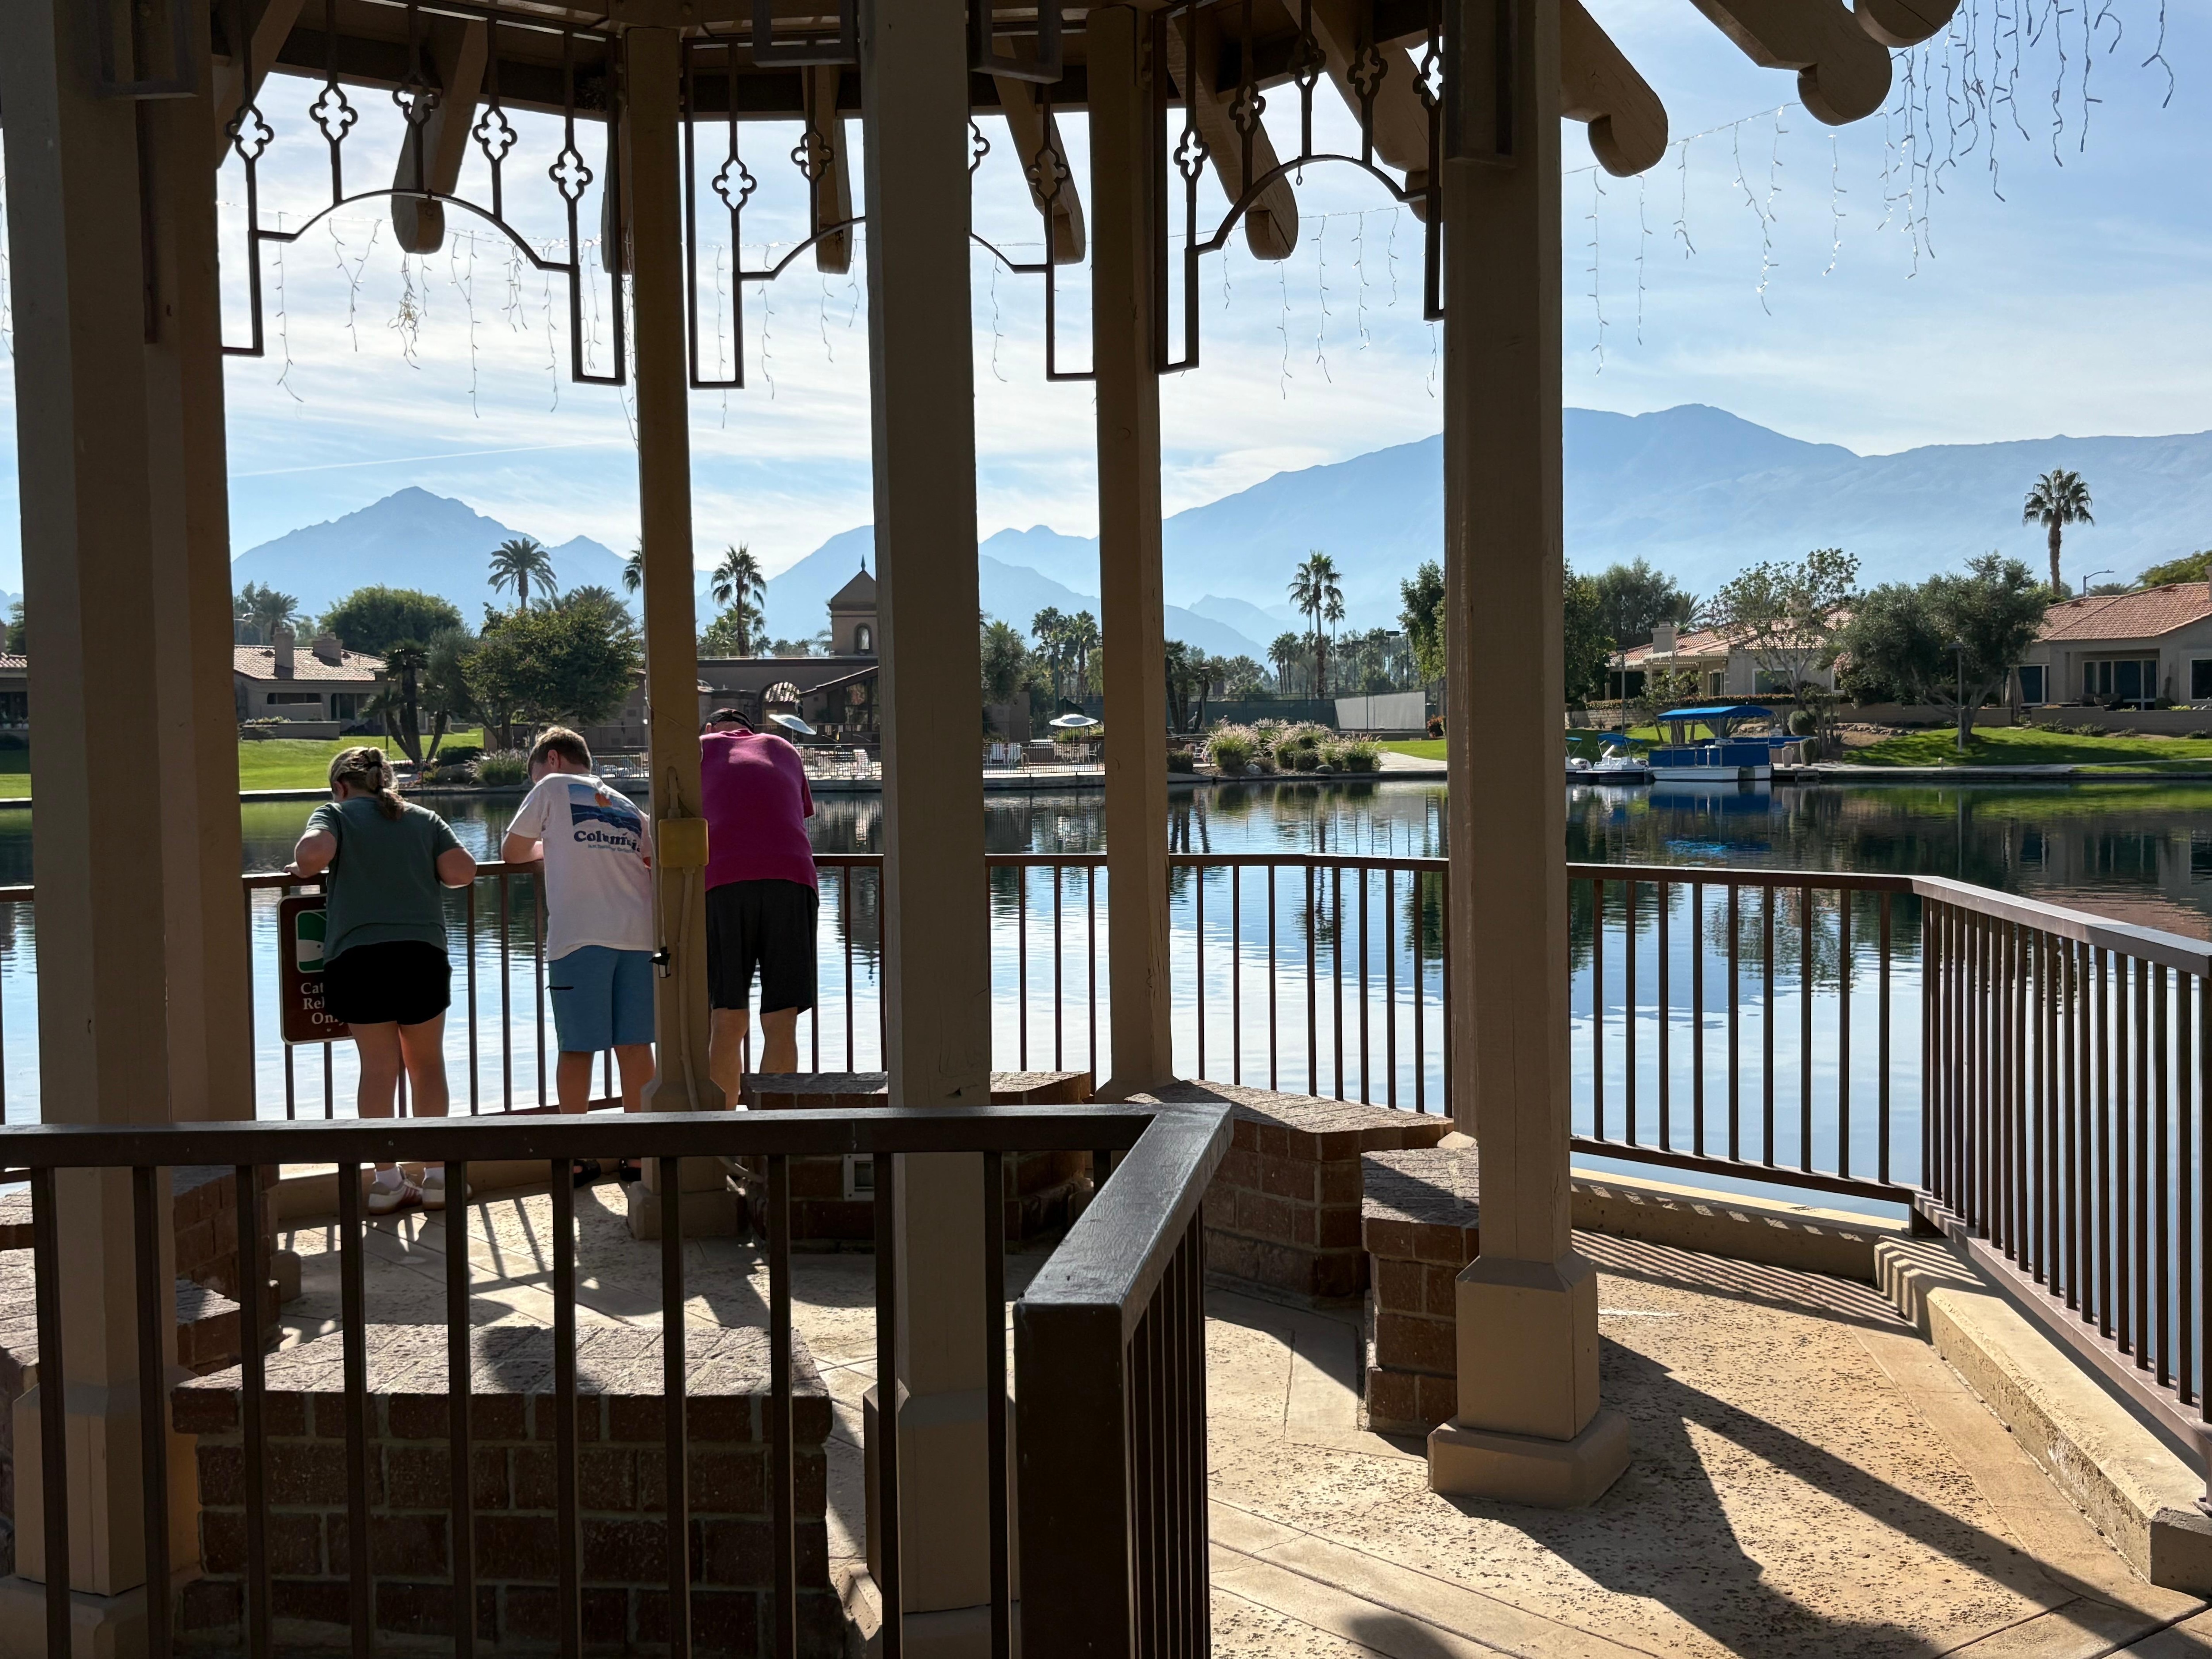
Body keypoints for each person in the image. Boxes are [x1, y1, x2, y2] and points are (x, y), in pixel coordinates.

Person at [290, 746, 476, 1214]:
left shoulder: (334, 813)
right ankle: (437, 1179)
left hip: (358, 959)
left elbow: (312, 855)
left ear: (340, 785)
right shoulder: (422, 818)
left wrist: (304, 868)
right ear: (386, 783)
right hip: (421, 954)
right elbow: (462, 872)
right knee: (427, 1065)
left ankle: (388, 1182)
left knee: (378, 1068)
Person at [501, 727, 654, 1182]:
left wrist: (550, 849)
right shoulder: (628, 806)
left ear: (551, 760)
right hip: (639, 936)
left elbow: (511, 852)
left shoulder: (550, 787)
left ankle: (576, 1154)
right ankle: (639, 1154)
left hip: (579, 938)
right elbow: (650, 860)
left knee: (577, 1047)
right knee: (635, 1046)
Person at [700, 709, 817, 1095]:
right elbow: (798, 814)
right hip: (792, 877)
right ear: (750, 730)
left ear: (710, 729)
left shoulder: (697, 750)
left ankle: (723, 1139)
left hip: (725, 880)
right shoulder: (782, 747)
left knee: (727, 1019)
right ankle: (775, 1138)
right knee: (782, 1019)